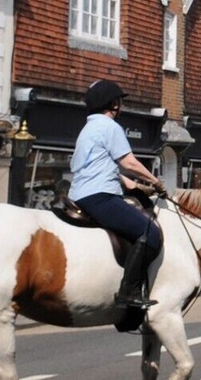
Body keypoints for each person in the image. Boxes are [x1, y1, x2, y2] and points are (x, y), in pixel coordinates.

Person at [68, 80, 166, 310]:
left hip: (80, 194)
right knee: (150, 232)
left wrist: (138, 187)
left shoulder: (87, 129)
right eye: (119, 102)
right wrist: (156, 181)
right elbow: (128, 162)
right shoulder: (110, 127)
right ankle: (128, 291)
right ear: (112, 104)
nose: (120, 106)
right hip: (100, 196)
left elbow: (105, 168)